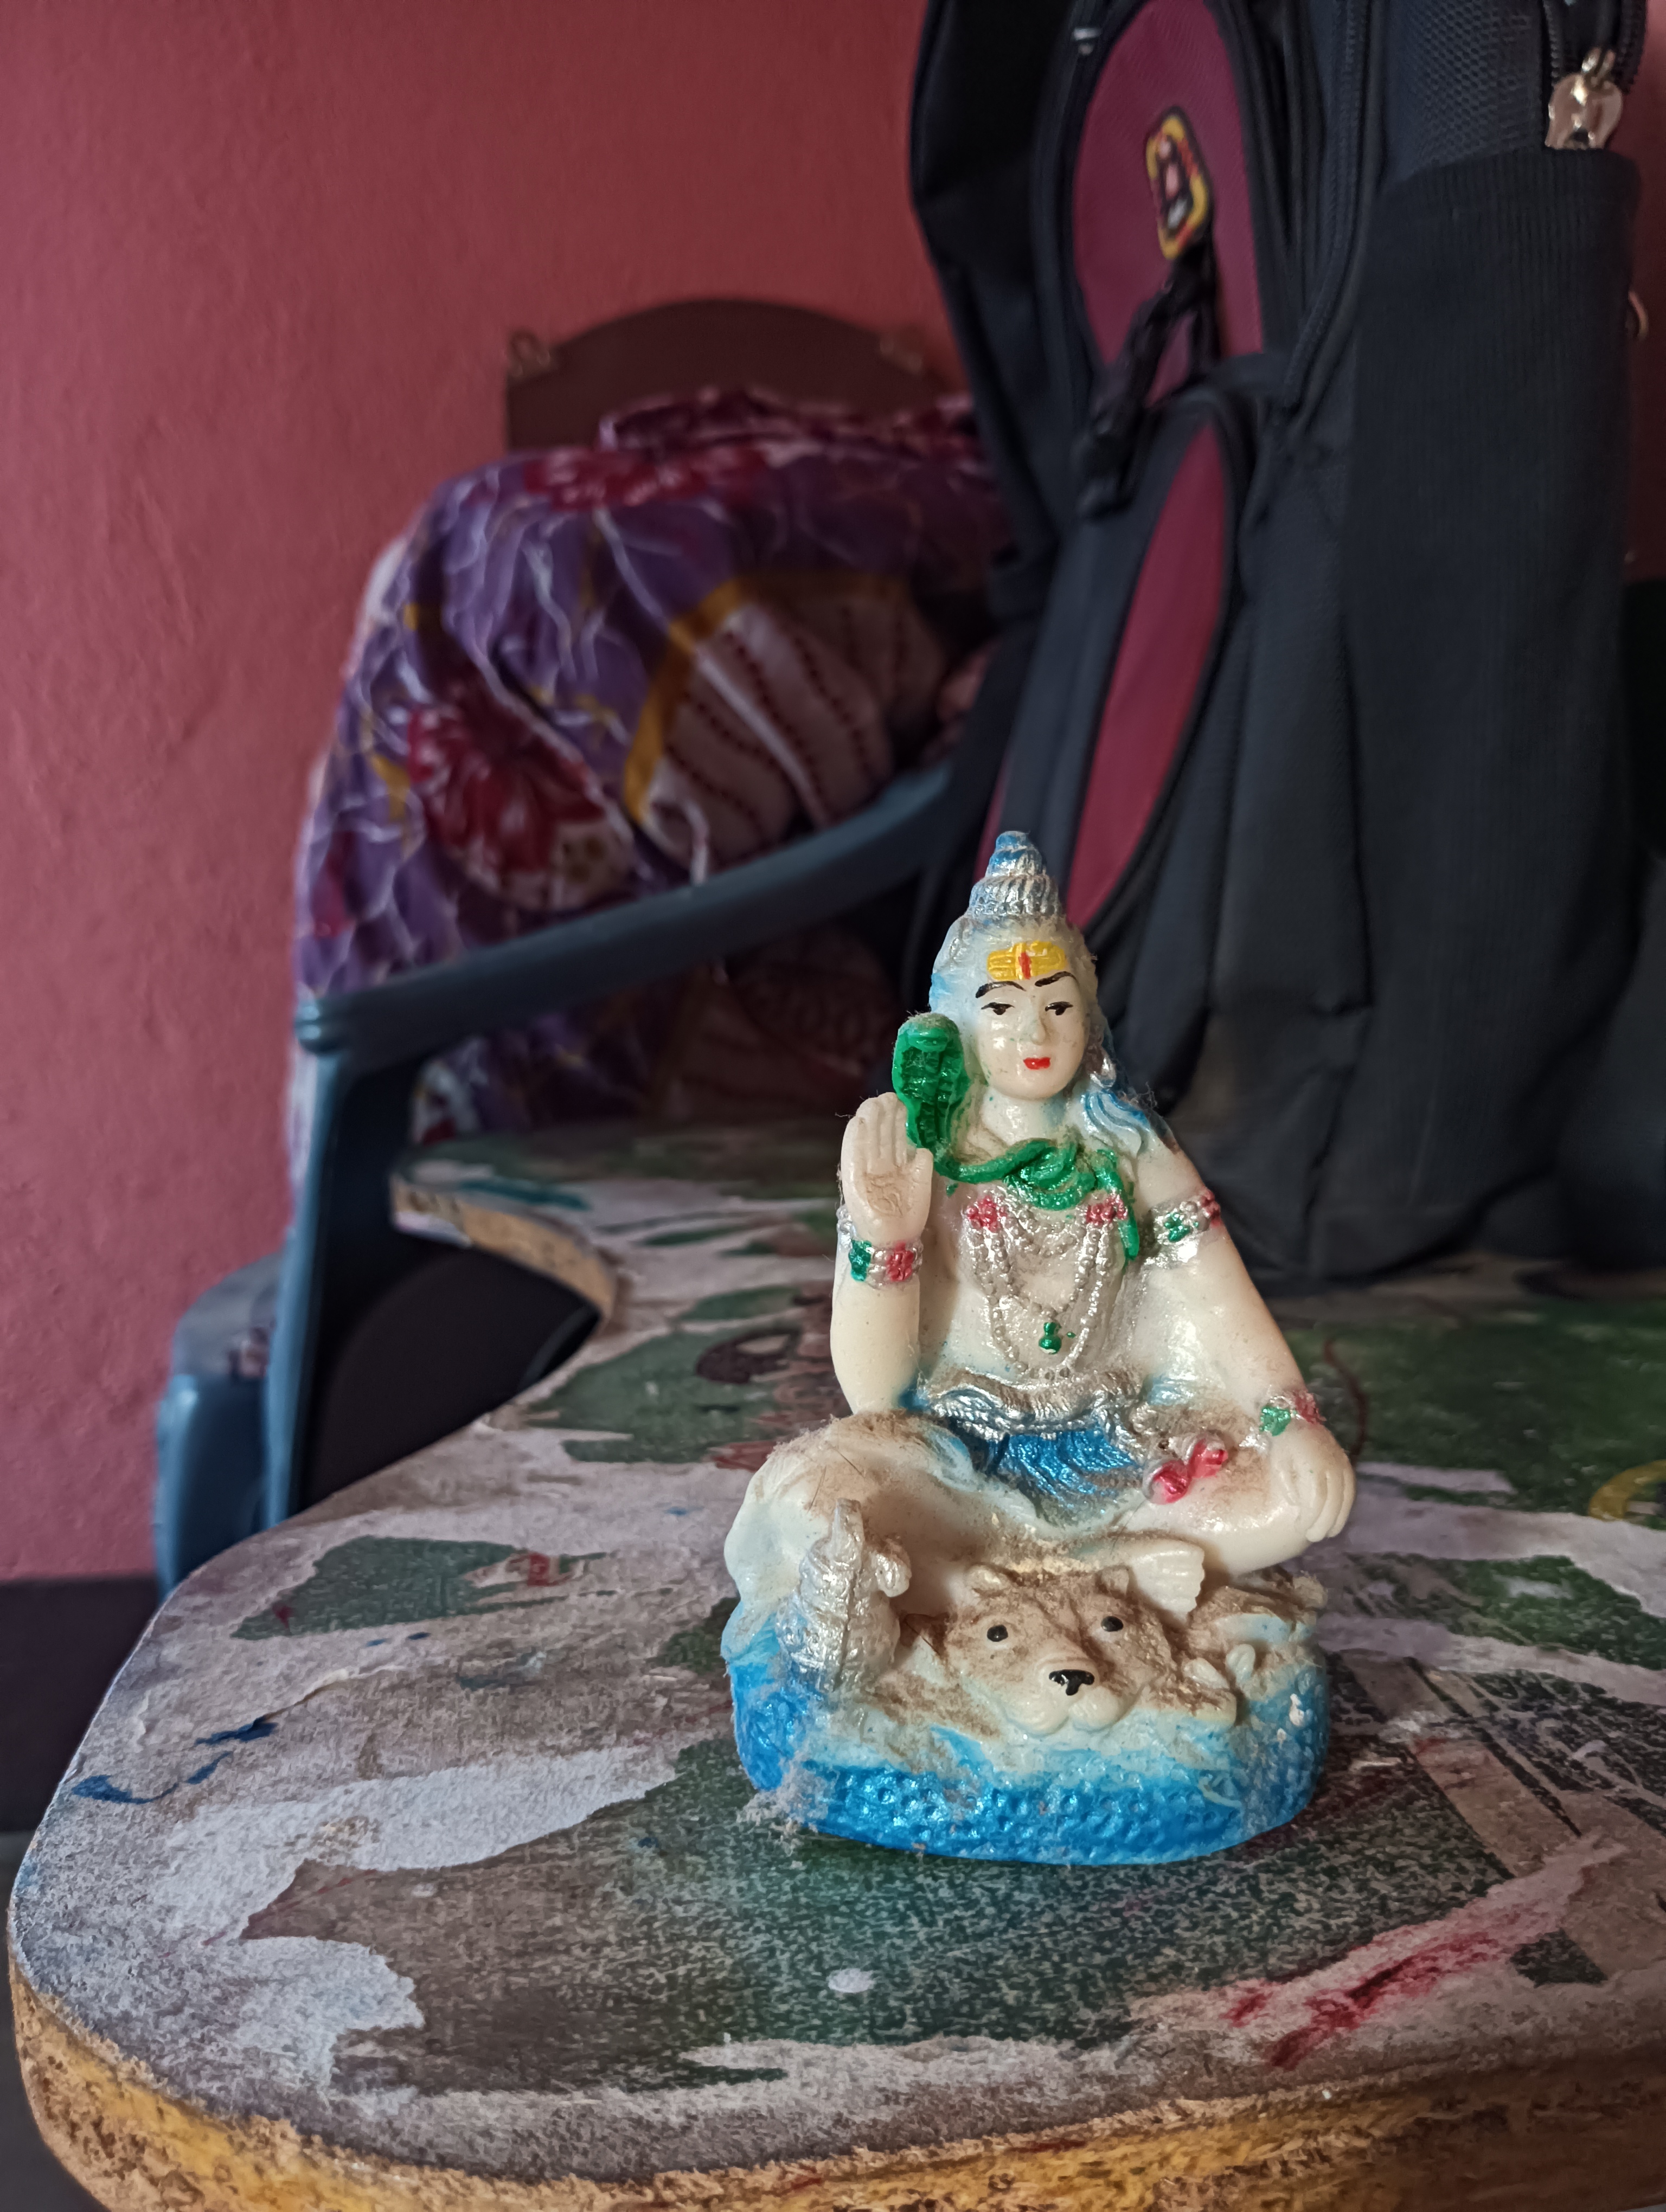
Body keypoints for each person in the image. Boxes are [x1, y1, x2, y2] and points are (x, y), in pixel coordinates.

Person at [726, 833, 1354, 1638]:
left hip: (1127, 1450)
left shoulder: (1133, 1151)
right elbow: (878, 1400)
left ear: (1088, 1017)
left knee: (1299, 1504)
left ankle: (993, 1587)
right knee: (811, 1494)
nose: (1035, 1035)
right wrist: (886, 1235)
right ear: (958, 1025)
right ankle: (1098, 1579)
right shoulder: (929, 1159)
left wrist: (1290, 1423)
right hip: (960, 1460)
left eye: (1057, 1007)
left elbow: (1216, 1298)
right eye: (1002, 1010)